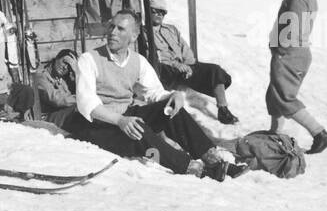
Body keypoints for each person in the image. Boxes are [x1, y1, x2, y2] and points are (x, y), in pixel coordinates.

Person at [64, 11, 236, 178]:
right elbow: (88, 104)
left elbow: (154, 92)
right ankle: (193, 169)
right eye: (111, 27)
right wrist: (120, 121)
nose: (113, 33)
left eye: (120, 29)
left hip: (124, 117)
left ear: (133, 36)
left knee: (172, 110)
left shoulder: (137, 61)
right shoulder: (89, 59)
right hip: (96, 125)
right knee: (140, 132)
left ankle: (213, 159)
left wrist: (172, 96)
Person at [267, 0, 327, 153]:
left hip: (290, 54)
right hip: (294, 53)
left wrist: (280, 49)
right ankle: (275, 135)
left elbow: (293, 27)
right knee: (275, 95)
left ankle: (320, 134)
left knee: (285, 98)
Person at [149, 0, 237, 123]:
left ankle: (223, 109)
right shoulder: (144, 32)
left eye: (162, 12)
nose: (159, 15)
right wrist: (176, 65)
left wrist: (188, 64)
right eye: (155, 11)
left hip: (184, 66)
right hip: (166, 69)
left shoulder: (171, 29)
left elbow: (185, 48)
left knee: (215, 70)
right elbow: (154, 57)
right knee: (166, 69)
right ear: (148, 11)